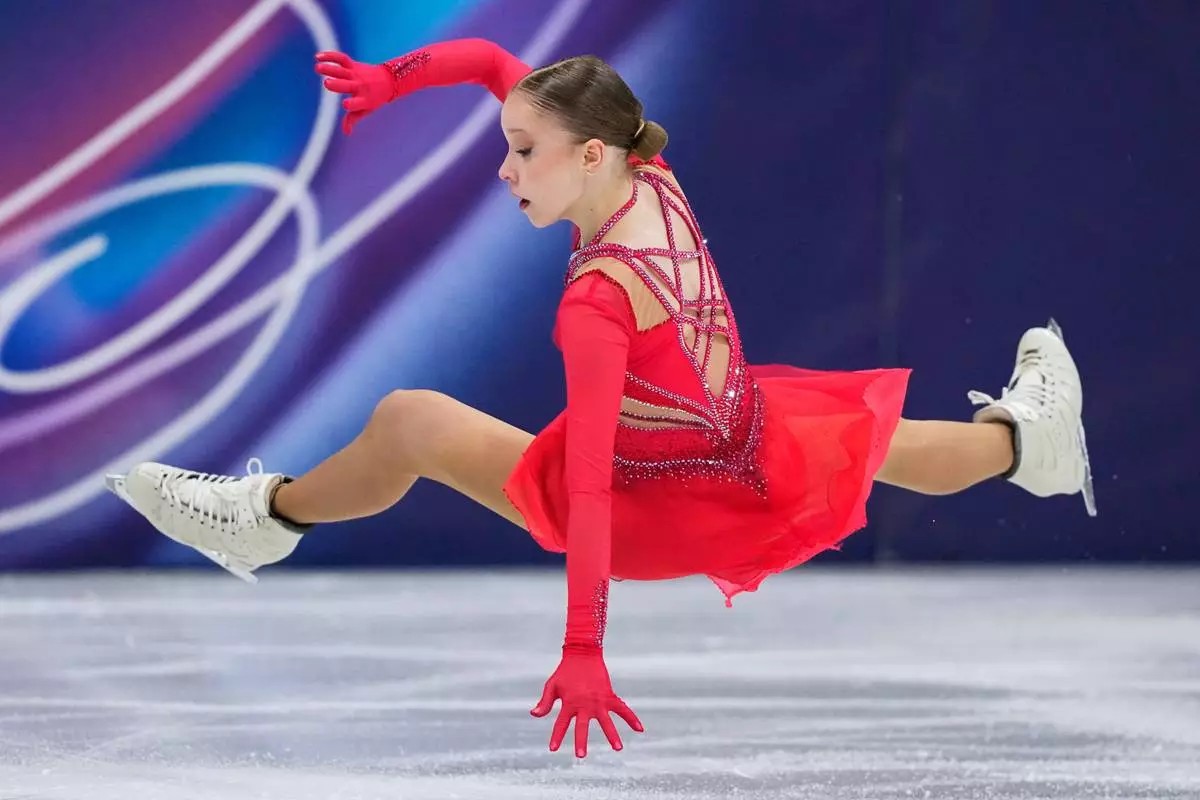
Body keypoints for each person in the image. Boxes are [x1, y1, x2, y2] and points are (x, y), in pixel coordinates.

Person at [105, 37, 1096, 759]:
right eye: (508, 144)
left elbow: (583, 484)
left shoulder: (597, 302)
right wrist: (391, 81)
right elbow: (498, 61)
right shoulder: (642, 167)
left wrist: (584, 646)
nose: (505, 168)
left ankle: (264, 517)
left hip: (640, 505)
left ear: (587, 156)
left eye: (522, 151)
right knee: (890, 440)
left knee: (409, 420)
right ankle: (1026, 443)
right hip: (745, 441)